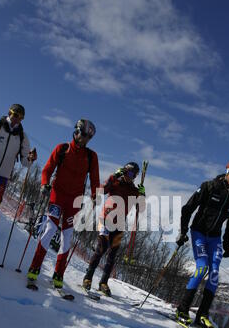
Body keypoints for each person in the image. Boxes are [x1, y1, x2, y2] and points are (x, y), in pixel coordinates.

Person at [175, 158, 229, 328]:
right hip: (199, 232)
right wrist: (183, 231)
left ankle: (202, 314)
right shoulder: (209, 186)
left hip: (215, 237)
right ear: (228, 171)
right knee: (202, 268)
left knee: (214, 273)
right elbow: (188, 208)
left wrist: (227, 244)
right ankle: (182, 309)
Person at [27, 119, 100, 289]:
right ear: (76, 132)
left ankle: (58, 274)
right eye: (83, 135)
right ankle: (34, 268)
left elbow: (95, 179)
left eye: (89, 137)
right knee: (50, 230)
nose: (85, 139)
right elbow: (47, 169)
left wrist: (95, 195)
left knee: (66, 238)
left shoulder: (91, 156)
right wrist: (44, 184)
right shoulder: (62, 149)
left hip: (74, 202)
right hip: (57, 196)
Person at [0, 104, 37, 262]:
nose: (16, 119)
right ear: (9, 113)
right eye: (14, 114)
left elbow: (25, 162)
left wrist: (30, 159)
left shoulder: (23, 137)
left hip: (1, 179)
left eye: (20, 117)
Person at [82, 162, 146, 296]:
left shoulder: (134, 190)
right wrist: (113, 176)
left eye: (134, 175)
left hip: (120, 224)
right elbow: (100, 191)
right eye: (129, 173)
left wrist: (142, 194)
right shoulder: (115, 182)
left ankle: (103, 282)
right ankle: (88, 277)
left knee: (112, 254)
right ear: (124, 171)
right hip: (106, 220)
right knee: (101, 248)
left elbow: (141, 208)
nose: (131, 177)